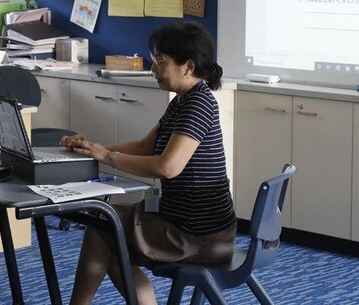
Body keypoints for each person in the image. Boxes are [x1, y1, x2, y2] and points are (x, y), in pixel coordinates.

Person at [62, 22, 237, 305]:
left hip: (198, 235)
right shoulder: (182, 101)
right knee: (108, 234)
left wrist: (108, 157)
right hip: (185, 223)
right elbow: (146, 147)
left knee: (103, 226)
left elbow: (168, 167)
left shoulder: (199, 104)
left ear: (188, 67)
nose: (153, 69)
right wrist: (95, 149)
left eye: (160, 62)